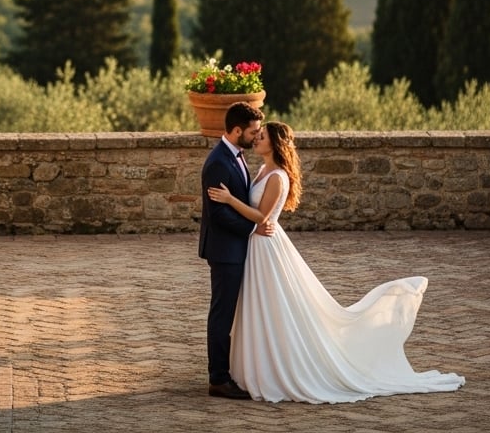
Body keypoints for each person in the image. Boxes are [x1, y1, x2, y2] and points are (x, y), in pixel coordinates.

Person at [207, 121, 466, 403]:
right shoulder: (260, 169)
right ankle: (257, 366)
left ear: (276, 144)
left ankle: (282, 368)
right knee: (260, 306)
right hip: (254, 245)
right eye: (257, 134)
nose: (257, 138)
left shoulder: (278, 177)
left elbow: (263, 218)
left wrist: (230, 199)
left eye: (263, 136)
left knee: (275, 306)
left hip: (266, 244)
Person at [198, 100, 268, 399]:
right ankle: (218, 379)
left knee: (230, 313)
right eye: (253, 132)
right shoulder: (217, 162)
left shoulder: (236, 155)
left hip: (235, 248)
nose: (256, 136)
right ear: (237, 130)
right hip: (225, 251)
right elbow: (218, 214)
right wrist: (252, 228)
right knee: (221, 315)